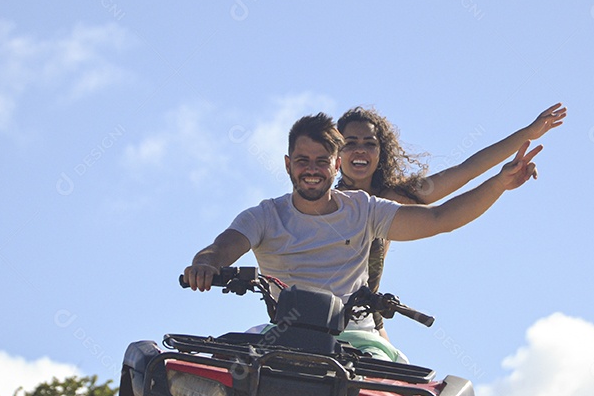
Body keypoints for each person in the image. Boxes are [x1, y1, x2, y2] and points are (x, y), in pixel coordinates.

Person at [183, 112, 545, 359]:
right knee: (214, 372)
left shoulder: (370, 207)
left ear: (334, 163)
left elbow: (440, 216)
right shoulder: (266, 215)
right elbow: (221, 246)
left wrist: (500, 181)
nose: (311, 169)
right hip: (284, 330)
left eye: (322, 160)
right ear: (287, 163)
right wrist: (206, 264)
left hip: (357, 328)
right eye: (302, 160)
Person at [336, 103, 566, 335]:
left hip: (368, 325)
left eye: (370, 144)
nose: (360, 150)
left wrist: (527, 136)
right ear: (335, 152)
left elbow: (466, 171)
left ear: (380, 152)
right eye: (350, 143)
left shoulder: (391, 200)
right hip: (321, 320)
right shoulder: (321, 204)